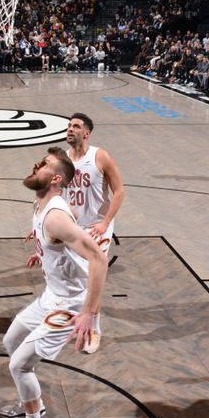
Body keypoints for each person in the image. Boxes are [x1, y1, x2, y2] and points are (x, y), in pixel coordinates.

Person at [0, 147, 107, 418]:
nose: (36, 164)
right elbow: (56, 241)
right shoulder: (41, 204)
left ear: (56, 178)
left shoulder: (56, 217)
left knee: (18, 364)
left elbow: (99, 259)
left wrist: (89, 314)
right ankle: (33, 401)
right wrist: (44, 250)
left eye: (44, 164)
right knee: (10, 341)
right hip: (52, 294)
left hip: (70, 304)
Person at [62, 113, 124, 354]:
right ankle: (80, 319)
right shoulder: (62, 159)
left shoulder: (100, 156)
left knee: (92, 280)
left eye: (75, 126)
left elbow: (119, 192)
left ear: (86, 132)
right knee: (74, 280)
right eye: (68, 125)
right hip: (75, 227)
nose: (70, 129)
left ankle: (95, 329)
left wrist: (105, 222)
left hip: (99, 226)